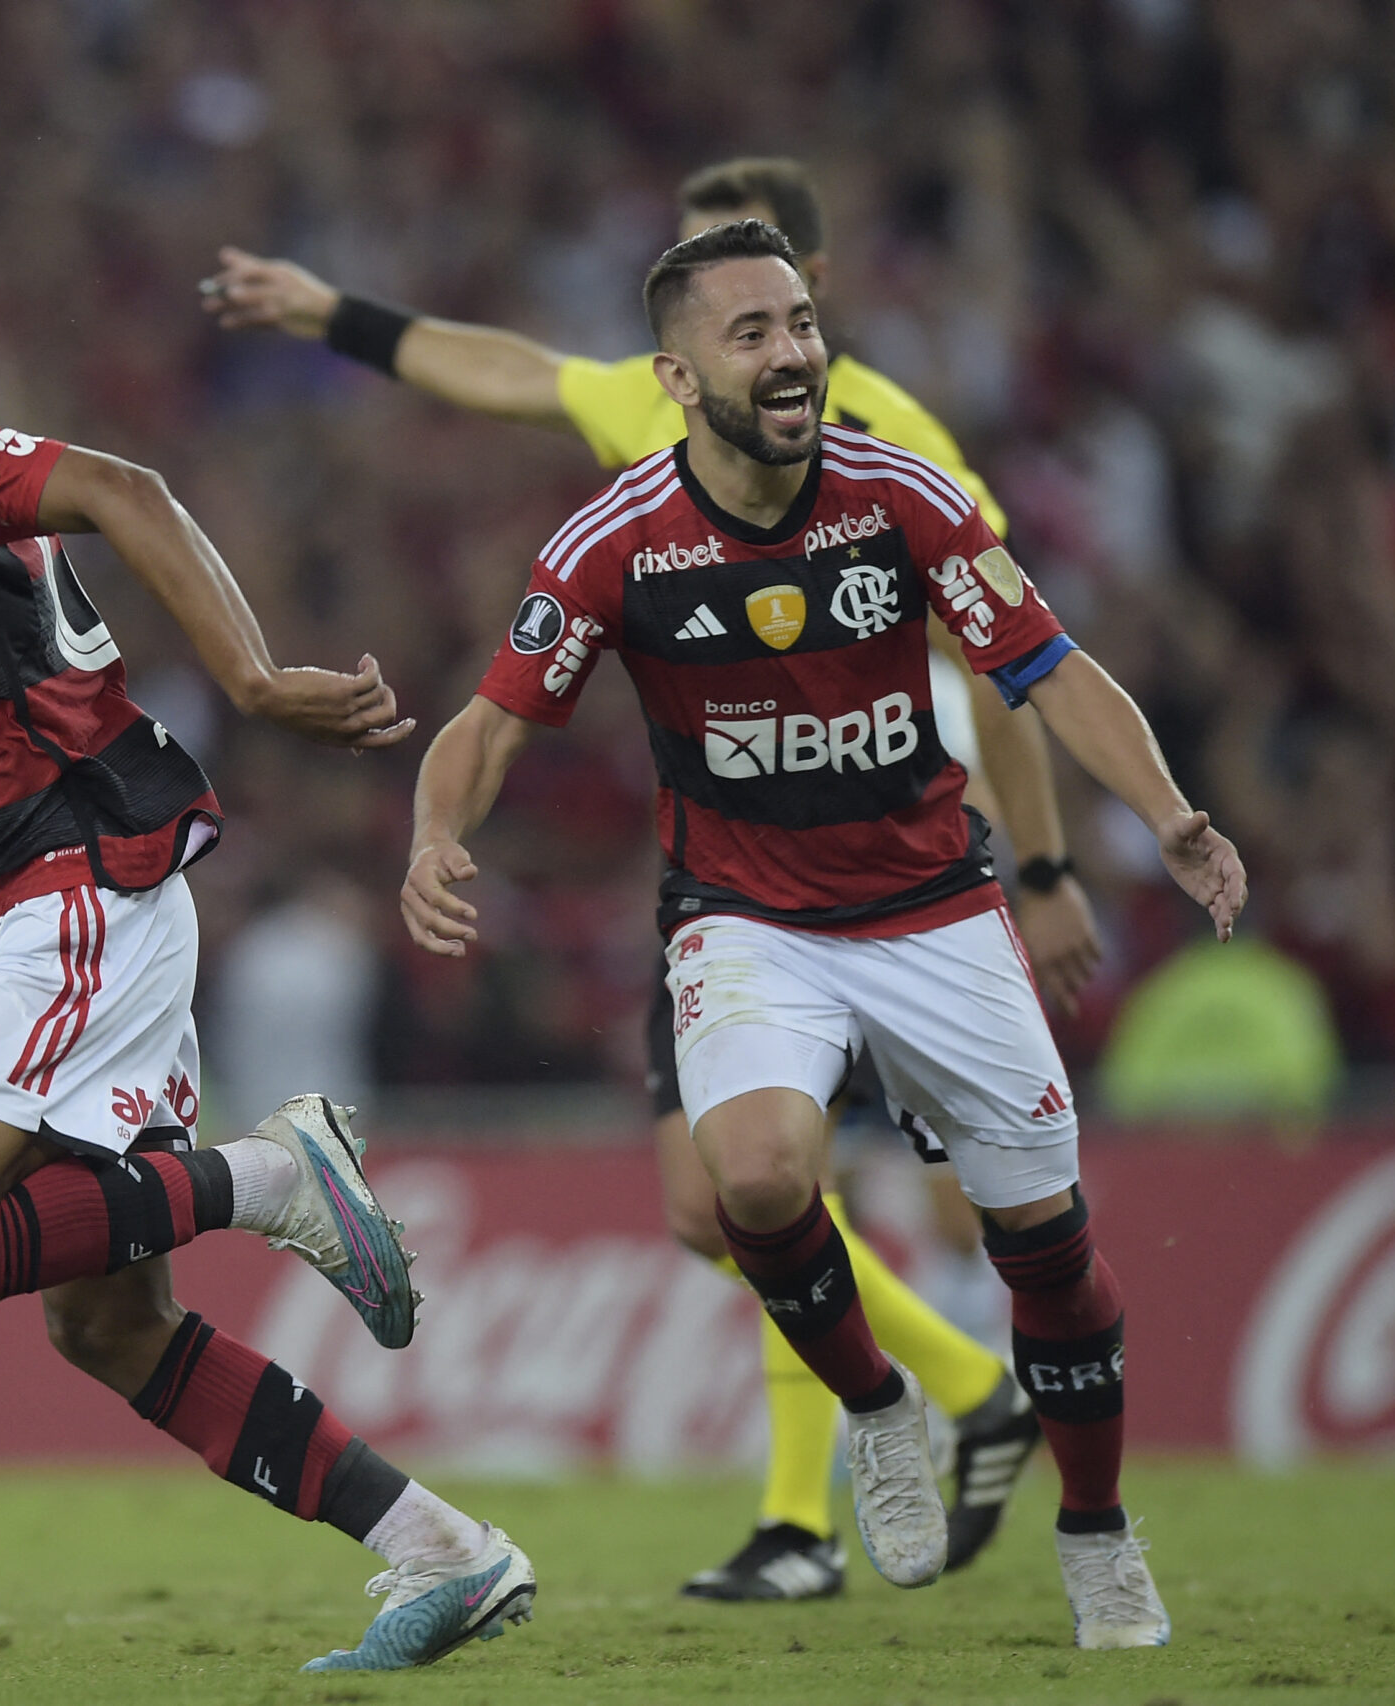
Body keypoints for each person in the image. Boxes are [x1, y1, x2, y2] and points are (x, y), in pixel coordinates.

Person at [0, 189, 532, 1674]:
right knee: (110, 1332)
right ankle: (441, 1547)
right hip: (16, 901)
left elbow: (123, 486)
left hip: (70, 882)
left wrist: (251, 683)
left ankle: (270, 1172)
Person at [206, 156, 1090, 1601]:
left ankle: (833, 1494)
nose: (682, 342)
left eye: (746, 301)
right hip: (741, 868)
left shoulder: (899, 447)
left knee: (776, 1185)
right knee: (736, 1191)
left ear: (802, 304)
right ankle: (927, 1408)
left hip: (907, 866)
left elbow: (1007, 670)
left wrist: (1043, 860)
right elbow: (509, 371)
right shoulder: (661, 401)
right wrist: (333, 315)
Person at [401, 218, 1244, 1649]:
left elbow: (1048, 668)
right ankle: (879, 1404)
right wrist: (434, 836)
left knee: (1045, 1246)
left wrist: (1166, 811)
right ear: (677, 377)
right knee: (755, 1174)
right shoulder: (615, 542)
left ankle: (1098, 1530)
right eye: (754, 333)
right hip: (746, 916)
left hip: (935, 908)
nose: (794, 352)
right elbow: (489, 722)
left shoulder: (901, 495)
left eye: (800, 322)